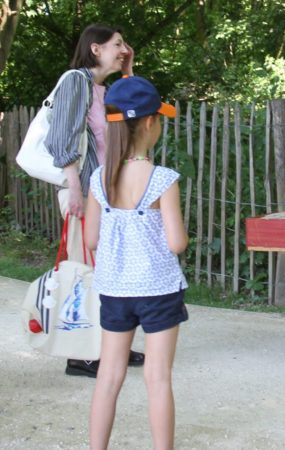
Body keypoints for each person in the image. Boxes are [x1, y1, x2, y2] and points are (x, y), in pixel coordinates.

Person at [84, 76, 188, 450]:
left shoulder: (100, 178)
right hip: (158, 290)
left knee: (108, 377)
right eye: (160, 118)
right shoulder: (162, 179)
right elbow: (176, 243)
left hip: (114, 290)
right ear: (148, 122)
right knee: (158, 378)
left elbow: (91, 239)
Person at [46, 23, 144, 377]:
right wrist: (75, 188)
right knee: (85, 271)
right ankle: (81, 353)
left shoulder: (106, 90)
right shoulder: (76, 81)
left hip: (108, 194)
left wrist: (129, 71)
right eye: (117, 44)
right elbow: (62, 135)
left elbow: (136, 118)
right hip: (85, 193)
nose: (123, 49)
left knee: (111, 271)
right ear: (95, 49)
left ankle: (111, 345)